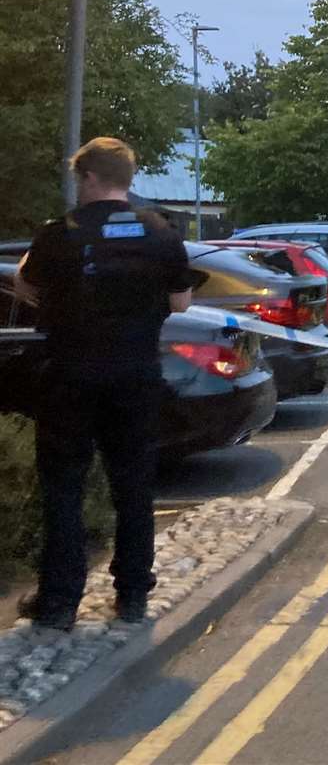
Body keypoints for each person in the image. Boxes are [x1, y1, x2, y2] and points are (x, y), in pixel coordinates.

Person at [15, 137, 194, 630]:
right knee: (134, 487)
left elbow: (27, 284)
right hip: (135, 376)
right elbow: (181, 303)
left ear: (89, 176)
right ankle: (133, 595)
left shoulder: (60, 233)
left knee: (64, 489)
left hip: (70, 376)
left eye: (79, 179)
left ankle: (59, 602)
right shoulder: (160, 230)